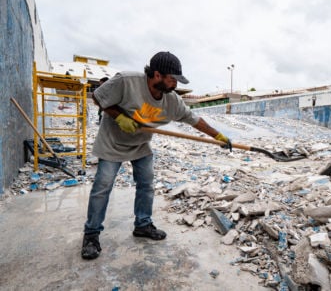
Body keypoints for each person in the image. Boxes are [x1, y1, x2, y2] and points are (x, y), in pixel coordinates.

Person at [81, 51, 232, 260]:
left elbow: (194, 119)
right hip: (112, 143)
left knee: (146, 184)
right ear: (157, 75)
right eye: (172, 80)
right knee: (102, 187)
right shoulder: (127, 81)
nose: (175, 86)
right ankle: (91, 235)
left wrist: (218, 136)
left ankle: (143, 225)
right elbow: (98, 96)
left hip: (141, 145)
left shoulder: (172, 101)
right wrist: (119, 118)